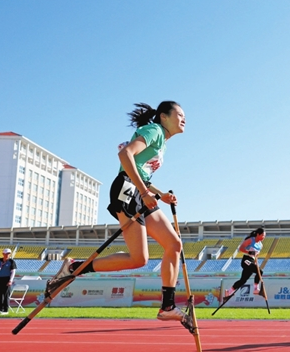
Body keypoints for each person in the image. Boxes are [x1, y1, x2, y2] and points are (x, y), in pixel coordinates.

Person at [48, 101, 191, 330]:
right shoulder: (154, 131)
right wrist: (144, 192)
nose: (184, 119)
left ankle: (167, 306)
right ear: (163, 117)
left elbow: (141, 171)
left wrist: (159, 194)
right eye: (180, 114)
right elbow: (125, 155)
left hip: (138, 189)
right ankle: (73, 268)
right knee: (139, 258)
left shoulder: (161, 142)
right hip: (127, 189)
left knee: (173, 244)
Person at [223, 228, 266, 300]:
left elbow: (256, 256)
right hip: (246, 260)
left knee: (243, 280)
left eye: (264, 236)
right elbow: (241, 248)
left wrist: (255, 262)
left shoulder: (261, 245)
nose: (264, 237)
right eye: (262, 235)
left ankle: (229, 291)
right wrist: (250, 252)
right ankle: (256, 289)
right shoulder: (251, 240)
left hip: (252, 261)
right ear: (258, 234)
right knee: (260, 271)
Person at [0, 248, 17, 315]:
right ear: (3, 254)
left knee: (6, 295)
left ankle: (5, 310)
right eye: (6, 253)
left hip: (7, 279)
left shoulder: (11, 261)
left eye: (9, 253)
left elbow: (13, 272)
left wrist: (10, 281)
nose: (7, 255)